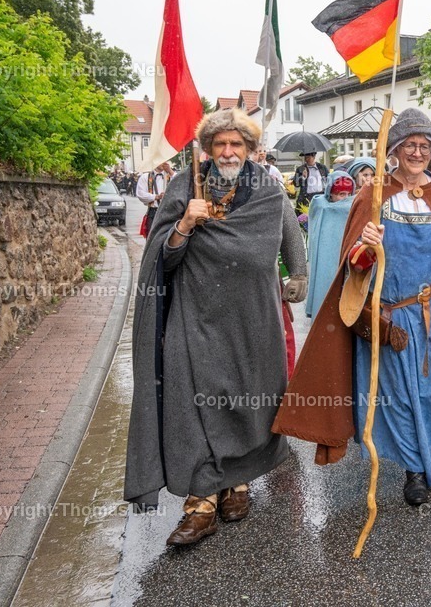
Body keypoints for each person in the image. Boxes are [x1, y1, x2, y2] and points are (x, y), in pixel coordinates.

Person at [272, 108, 431, 506]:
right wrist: (366, 243)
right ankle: (416, 470)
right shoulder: (373, 195)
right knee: (404, 395)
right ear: (393, 150)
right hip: (391, 314)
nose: (417, 151)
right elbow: (353, 269)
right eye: (409, 144)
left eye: (424, 145)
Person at [124, 108, 308, 547]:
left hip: (253, 316)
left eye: (236, 144)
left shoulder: (266, 187)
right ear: (207, 149)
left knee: (247, 398)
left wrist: (298, 274)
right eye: (220, 144)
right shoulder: (185, 185)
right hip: (196, 313)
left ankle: (238, 484)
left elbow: (289, 234)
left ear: (248, 149)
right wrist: (186, 223)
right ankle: (200, 502)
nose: (228, 151)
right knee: (194, 400)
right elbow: (162, 259)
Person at [305, 171, 356, 319]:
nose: (345, 199)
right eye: (341, 194)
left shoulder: (354, 206)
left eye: (348, 194)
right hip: (325, 261)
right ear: (331, 194)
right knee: (324, 293)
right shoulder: (321, 206)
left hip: (345, 259)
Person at [136, 162, 172, 229]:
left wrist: (170, 171)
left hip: (169, 212)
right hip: (153, 212)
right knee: (152, 237)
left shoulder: (171, 175)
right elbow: (140, 194)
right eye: (161, 160)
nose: (163, 162)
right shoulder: (146, 177)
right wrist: (156, 197)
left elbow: (181, 185)